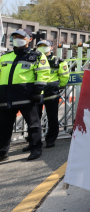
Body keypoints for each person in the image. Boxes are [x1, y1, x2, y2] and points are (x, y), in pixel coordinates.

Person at [0, 29, 49, 161]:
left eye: (21, 36)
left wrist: (37, 91)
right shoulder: (5, 57)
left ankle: (36, 148)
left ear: (30, 39)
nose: (17, 38)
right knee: (4, 127)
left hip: (27, 97)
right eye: (15, 36)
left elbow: (43, 74)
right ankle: (2, 152)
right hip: (6, 98)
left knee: (33, 125)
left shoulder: (37, 56)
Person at [34, 40, 69, 148]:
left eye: (45, 45)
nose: (42, 47)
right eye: (40, 45)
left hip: (51, 91)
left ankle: (51, 139)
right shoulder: (34, 59)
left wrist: (57, 86)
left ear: (51, 47)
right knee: (35, 118)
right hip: (36, 91)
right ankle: (34, 141)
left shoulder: (58, 61)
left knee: (52, 117)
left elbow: (64, 76)